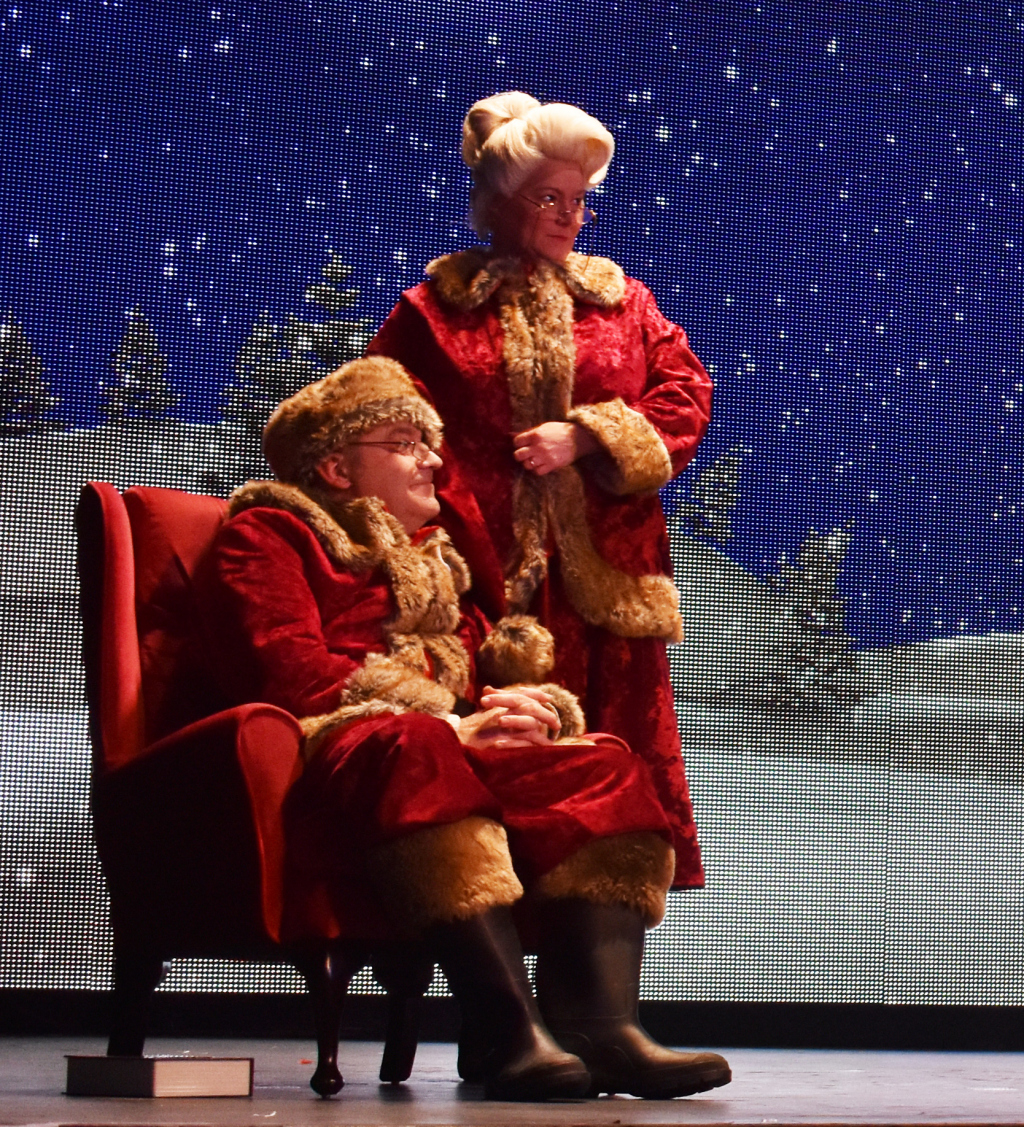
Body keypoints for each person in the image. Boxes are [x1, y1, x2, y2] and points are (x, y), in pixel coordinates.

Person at [193, 356, 730, 1100]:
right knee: (414, 747)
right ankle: (504, 1031)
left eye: (427, 443)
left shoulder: (435, 561)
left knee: (603, 763)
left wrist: (522, 709)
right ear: (337, 468)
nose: (431, 461)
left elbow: (479, 681)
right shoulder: (269, 535)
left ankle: (599, 1028)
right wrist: (449, 723)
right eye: (403, 444)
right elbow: (290, 672)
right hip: (341, 752)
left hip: (444, 745)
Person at [366, 92, 717, 1083]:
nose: (570, 215)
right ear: (497, 199)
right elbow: (386, 425)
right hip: (485, 597)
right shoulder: (433, 312)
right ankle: (509, 1029)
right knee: (501, 777)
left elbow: (685, 393)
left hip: (603, 597)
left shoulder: (623, 300)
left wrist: (592, 433)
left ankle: (600, 1020)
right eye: (549, 196)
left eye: (580, 198)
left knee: (610, 779)